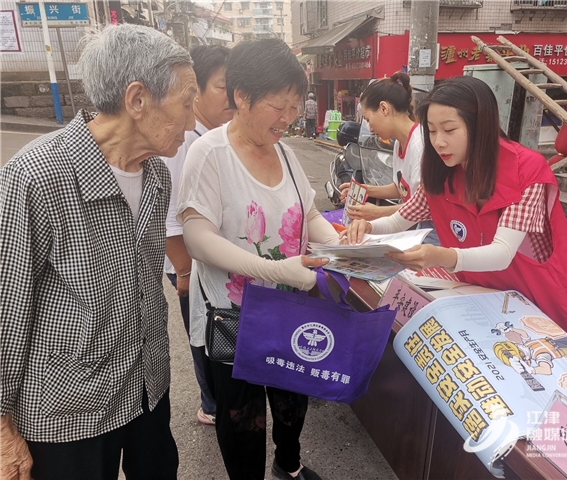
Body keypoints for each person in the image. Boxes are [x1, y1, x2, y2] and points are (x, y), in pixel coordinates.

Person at [0, 25, 195, 480]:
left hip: (147, 387)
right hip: (70, 409)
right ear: (137, 99)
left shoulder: (156, 176)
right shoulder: (36, 175)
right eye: (186, 101)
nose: (192, 119)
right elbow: (5, 306)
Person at [345, 75, 567, 368]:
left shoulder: (526, 170)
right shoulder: (441, 169)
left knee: (560, 366)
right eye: (431, 131)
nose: (439, 142)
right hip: (481, 292)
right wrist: (369, 227)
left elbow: (502, 253)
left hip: (540, 295)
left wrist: (440, 256)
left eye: (449, 129)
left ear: (480, 125)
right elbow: (403, 218)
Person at [177, 38, 338, 480]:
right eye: (277, 105)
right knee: (243, 421)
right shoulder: (209, 153)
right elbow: (197, 236)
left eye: (295, 104)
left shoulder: (285, 152)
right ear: (241, 97)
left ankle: (288, 465)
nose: (289, 117)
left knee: (292, 405)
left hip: (289, 312)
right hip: (236, 322)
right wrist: (272, 269)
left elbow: (309, 214)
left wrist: (343, 247)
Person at [162, 44, 234, 427]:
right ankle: (211, 404)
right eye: (223, 86)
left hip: (211, 259)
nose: (233, 95)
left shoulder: (217, 135)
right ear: (198, 91)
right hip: (189, 263)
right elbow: (172, 220)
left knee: (216, 329)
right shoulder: (185, 141)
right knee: (202, 335)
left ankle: (218, 399)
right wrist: (186, 274)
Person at [340, 73, 423, 221]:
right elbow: (401, 189)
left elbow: (422, 207)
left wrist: (378, 212)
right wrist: (364, 190)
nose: (370, 128)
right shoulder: (400, 143)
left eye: (368, 119)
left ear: (384, 109)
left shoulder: (419, 145)